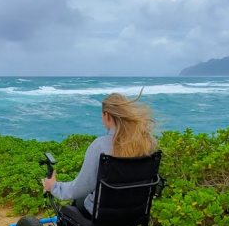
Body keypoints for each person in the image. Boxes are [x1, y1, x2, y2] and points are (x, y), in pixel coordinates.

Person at [43, 89, 156, 218]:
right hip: (135, 211)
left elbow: (78, 189)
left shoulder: (100, 145)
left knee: (79, 201)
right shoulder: (147, 143)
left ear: (106, 115)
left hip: (101, 215)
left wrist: (54, 187)